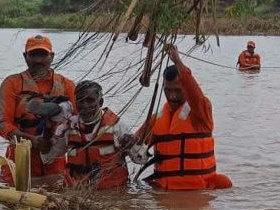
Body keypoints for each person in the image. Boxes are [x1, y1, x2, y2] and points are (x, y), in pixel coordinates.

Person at [136, 45, 232, 190]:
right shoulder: (156, 119)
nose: (172, 96)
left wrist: (178, 62)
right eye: (168, 90)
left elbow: (194, 92)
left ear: (185, 89)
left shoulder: (200, 113)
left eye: (177, 90)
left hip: (196, 191)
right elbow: (136, 145)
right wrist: (127, 142)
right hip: (163, 193)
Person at [0, 34, 76, 184]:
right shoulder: (11, 84)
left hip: (55, 162)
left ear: (52, 56)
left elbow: (79, 121)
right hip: (19, 160)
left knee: (58, 193)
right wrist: (31, 140)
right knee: (12, 194)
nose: (38, 60)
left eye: (43, 55)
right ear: (25, 56)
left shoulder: (67, 85)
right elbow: (3, 124)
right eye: (33, 55)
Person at [63, 80, 131, 189]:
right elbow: (49, 157)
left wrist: (131, 144)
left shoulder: (116, 126)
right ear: (75, 103)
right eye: (80, 101)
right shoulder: (68, 127)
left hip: (113, 190)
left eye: (90, 100)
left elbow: (140, 159)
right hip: (78, 191)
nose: (85, 106)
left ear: (101, 102)